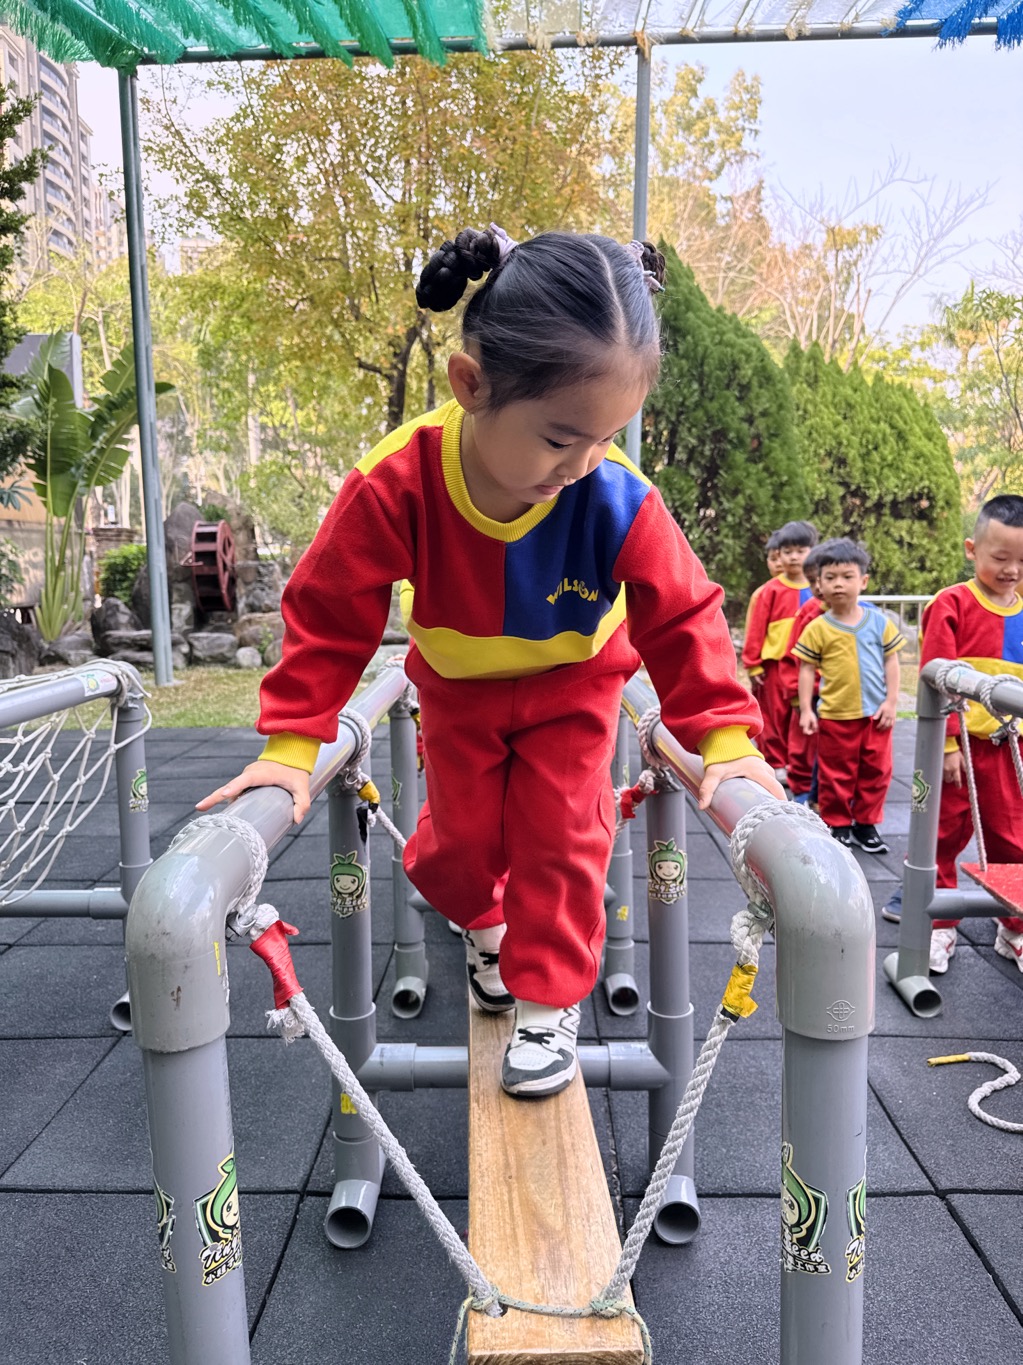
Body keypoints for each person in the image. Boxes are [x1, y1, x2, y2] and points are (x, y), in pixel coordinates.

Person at [197, 226, 784, 1098]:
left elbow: (684, 611)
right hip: (458, 690)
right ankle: (483, 923)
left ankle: (547, 1004)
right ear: (469, 386)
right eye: (559, 438)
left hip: (574, 685)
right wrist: (292, 747)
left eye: (606, 437)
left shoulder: (613, 493)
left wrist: (724, 739)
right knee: (459, 847)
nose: (582, 464)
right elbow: (329, 608)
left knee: (563, 837)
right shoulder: (398, 481)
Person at [884, 495, 1023, 973]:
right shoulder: (953, 604)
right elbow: (936, 676)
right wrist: (945, 745)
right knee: (941, 834)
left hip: (1008, 749)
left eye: (1022, 561)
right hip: (957, 745)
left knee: (1013, 838)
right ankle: (937, 925)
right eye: (1000, 558)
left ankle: (1013, 926)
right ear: (972, 549)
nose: (1011, 570)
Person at [794, 538, 904, 853]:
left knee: (876, 772)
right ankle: (838, 823)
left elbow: (891, 661)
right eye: (830, 578)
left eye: (847, 576)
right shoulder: (818, 628)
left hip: (875, 715)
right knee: (835, 774)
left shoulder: (879, 623)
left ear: (863, 581)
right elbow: (806, 669)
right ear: (819, 584)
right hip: (835, 715)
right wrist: (806, 709)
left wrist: (891, 702)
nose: (839, 584)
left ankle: (866, 825)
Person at [741, 520, 818, 774]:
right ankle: (774, 763)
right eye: (788, 552)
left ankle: (799, 764)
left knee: (803, 713)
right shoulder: (770, 591)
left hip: (808, 665)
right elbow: (756, 629)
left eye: (800, 551)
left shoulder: (818, 588)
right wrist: (753, 664)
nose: (794, 557)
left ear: (812, 551)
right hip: (774, 665)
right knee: (773, 715)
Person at [778, 543, 825, 802]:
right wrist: (796, 694)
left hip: (841, 696)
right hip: (812, 692)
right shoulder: (810, 612)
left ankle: (828, 798)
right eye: (813, 581)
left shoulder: (861, 616)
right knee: (804, 744)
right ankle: (802, 793)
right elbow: (792, 655)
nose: (819, 587)